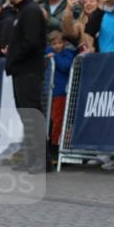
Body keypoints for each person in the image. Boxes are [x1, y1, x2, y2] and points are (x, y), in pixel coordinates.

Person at [4, 0, 48, 172]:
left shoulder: (30, 11)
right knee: (26, 117)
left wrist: (14, 56)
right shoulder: (24, 11)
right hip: (21, 70)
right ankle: (30, 158)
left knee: (33, 116)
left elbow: (32, 42)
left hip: (28, 70)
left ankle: (42, 160)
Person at [45, 31, 76, 164]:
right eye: (54, 44)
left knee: (58, 121)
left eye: (59, 43)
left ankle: (56, 148)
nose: (56, 46)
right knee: (51, 120)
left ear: (64, 43)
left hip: (61, 93)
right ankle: (50, 147)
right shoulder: (50, 51)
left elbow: (65, 67)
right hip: (51, 92)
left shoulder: (67, 54)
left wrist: (55, 57)